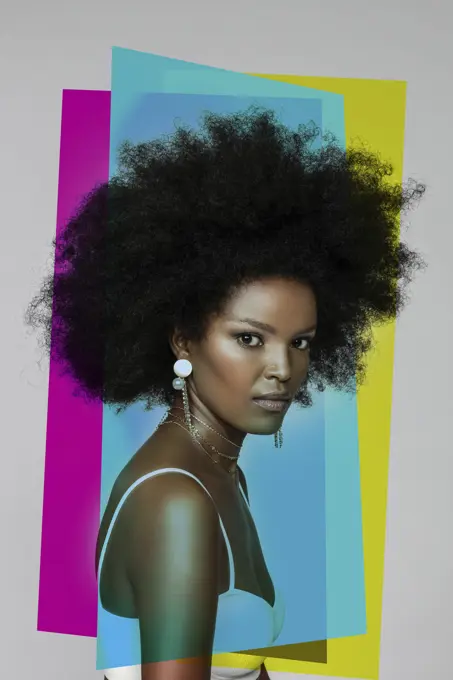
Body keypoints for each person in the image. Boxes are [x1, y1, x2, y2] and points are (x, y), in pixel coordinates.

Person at [26, 107, 425, 680]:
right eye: (249, 338)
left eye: (302, 342)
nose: (282, 368)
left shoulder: (218, 471)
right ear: (182, 336)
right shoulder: (177, 501)